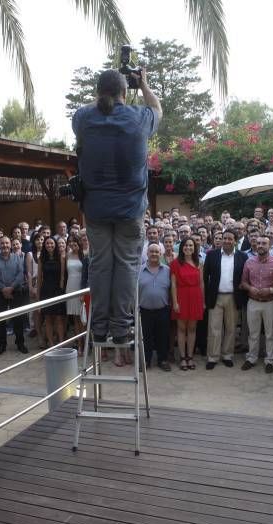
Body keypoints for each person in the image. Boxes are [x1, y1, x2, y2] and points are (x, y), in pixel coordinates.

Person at [72, 68, 162, 344]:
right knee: (126, 266)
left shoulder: (84, 118)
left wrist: (107, 93)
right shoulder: (139, 118)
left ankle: (98, 327)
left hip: (96, 210)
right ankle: (121, 330)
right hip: (130, 210)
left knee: (100, 265)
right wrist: (143, 84)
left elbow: (88, 107)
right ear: (125, 93)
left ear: (98, 93)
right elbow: (157, 106)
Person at [203, 229, 248, 370]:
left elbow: (244, 277)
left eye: (230, 239)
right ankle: (213, 357)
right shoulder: (212, 255)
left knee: (231, 328)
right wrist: (206, 296)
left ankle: (227, 355)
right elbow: (205, 277)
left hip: (233, 297)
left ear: (235, 240)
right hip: (215, 297)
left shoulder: (242, 257)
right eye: (225, 238)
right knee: (214, 328)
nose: (227, 241)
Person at [240, 235, 273, 373]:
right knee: (253, 333)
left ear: (269, 245)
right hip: (253, 301)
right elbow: (244, 282)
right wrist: (249, 288)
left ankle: (270, 360)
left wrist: (270, 289)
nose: (260, 245)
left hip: (271, 302)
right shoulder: (249, 262)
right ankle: (251, 358)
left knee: (271, 333)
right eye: (258, 243)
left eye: (263, 243)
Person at [0, 236, 28, 355]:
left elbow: (20, 274)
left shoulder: (17, 258)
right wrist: (3, 289)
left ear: (10, 245)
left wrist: (11, 288)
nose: (5, 245)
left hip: (16, 291)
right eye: (2, 243)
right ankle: (1, 344)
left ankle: (20, 343)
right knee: (0, 320)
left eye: (7, 243)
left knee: (18, 319)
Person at [170, 237, 204, 370]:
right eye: (186, 245)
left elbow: (201, 283)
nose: (188, 248)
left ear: (195, 248)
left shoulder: (199, 263)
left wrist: (203, 301)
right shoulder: (175, 263)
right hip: (181, 297)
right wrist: (175, 302)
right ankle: (182, 357)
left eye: (191, 245)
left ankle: (190, 357)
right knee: (181, 328)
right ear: (181, 247)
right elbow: (173, 285)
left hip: (195, 297)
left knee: (192, 328)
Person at [139, 243, 172, 372]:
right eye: (151, 252)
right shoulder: (139, 270)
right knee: (145, 337)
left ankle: (162, 360)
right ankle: (146, 360)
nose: (154, 254)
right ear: (147, 254)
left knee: (162, 336)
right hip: (144, 310)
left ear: (161, 254)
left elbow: (171, 289)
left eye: (156, 252)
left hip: (162, 309)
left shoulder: (167, 270)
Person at [38, 237, 66, 346]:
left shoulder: (61, 257)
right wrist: (38, 298)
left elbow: (62, 277)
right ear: (44, 245)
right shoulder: (42, 258)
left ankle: (61, 342)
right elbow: (40, 278)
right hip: (46, 290)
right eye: (47, 243)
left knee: (59, 318)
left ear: (55, 244)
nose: (49, 245)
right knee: (48, 318)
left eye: (52, 243)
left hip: (57, 290)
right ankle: (50, 342)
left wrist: (61, 291)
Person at [64, 234, 88, 353]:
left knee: (83, 318)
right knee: (75, 318)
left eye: (75, 242)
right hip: (70, 286)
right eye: (70, 242)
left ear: (79, 242)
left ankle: (86, 343)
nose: (72, 244)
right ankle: (79, 345)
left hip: (81, 286)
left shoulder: (85, 254)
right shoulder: (67, 255)